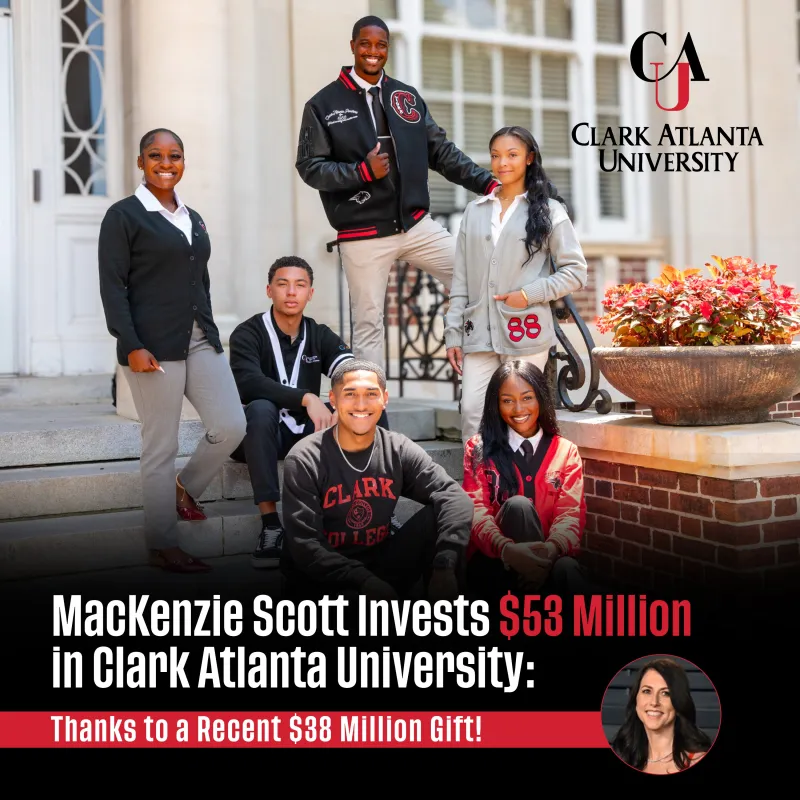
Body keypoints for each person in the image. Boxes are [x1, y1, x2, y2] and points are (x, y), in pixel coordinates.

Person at [295, 14, 499, 369]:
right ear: (353, 47)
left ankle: (481, 372)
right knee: (369, 327)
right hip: (364, 233)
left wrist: (489, 183)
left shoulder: (406, 96)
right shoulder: (322, 104)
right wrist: (361, 171)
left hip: (416, 224)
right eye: (365, 44)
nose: (373, 52)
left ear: (387, 49)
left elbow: (440, 152)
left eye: (380, 45)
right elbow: (310, 167)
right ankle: (371, 416)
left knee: (475, 275)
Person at [98, 128, 246, 573]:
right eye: (156, 155)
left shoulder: (192, 216)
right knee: (159, 445)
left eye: (175, 155)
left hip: (199, 338)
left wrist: (212, 331)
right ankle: (163, 544)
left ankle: (185, 488)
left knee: (231, 424)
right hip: (152, 347)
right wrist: (131, 344)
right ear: (140, 162)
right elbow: (113, 286)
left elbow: (199, 280)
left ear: (184, 161)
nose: (166, 162)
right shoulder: (123, 215)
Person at [228, 255, 390, 569]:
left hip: (306, 431)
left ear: (310, 293)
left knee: (369, 405)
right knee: (261, 409)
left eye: (300, 285)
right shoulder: (248, 333)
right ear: (269, 290)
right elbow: (248, 383)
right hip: (258, 435)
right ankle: (271, 525)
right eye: (283, 284)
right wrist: (306, 398)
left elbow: (347, 368)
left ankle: (380, 511)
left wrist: (363, 388)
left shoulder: (318, 333)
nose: (291, 292)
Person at [279, 359, 473, 602]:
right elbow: (305, 545)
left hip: (379, 566)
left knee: (440, 515)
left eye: (371, 394)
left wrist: (444, 563)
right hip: (323, 579)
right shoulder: (305, 458)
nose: (361, 404)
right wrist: (363, 580)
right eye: (350, 394)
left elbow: (454, 496)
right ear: (333, 399)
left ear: (385, 398)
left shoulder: (397, 448)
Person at [445, 126, 589, 443]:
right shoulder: (475, 211)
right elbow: (461, 280)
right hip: (479, 331)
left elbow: (575, 271)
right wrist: (453, 330)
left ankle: (519, 487)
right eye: (496, 156)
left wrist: (528, 295)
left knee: (519, 416)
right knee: (472, 410)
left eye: (512, 155)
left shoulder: (550, 211)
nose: (502, 163)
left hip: (526, 330)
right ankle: (479, 487)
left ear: (529, 159)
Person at [462, 360, 587, 598]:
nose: (518, 409)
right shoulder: (478, 449)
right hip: (497, 562)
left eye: (527, 397)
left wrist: (549, 552)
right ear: (495, 405)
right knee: (518, 506)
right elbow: (476, 511)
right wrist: (508, 550)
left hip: (547, 559)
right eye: (507, 400)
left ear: (541, 398)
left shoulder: (565, 451)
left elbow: (570, 514)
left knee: (568, 569)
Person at [611, 658, 713, 774]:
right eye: (647, 691)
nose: (654, 702)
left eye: (665, 693)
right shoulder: (624, 756)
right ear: (636, 699)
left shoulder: (697, 760)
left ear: (679, 702)